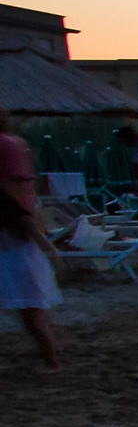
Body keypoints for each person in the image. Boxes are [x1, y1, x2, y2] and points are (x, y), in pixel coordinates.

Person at [0, 109, 63, 371]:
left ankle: (52, 362)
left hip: (19, 259)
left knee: (33, 320)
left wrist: (53, 254)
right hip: (18, 257)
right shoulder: (15, 147)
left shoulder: (15, 212)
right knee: (33, 319)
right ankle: (51, 362)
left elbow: (31, 228)